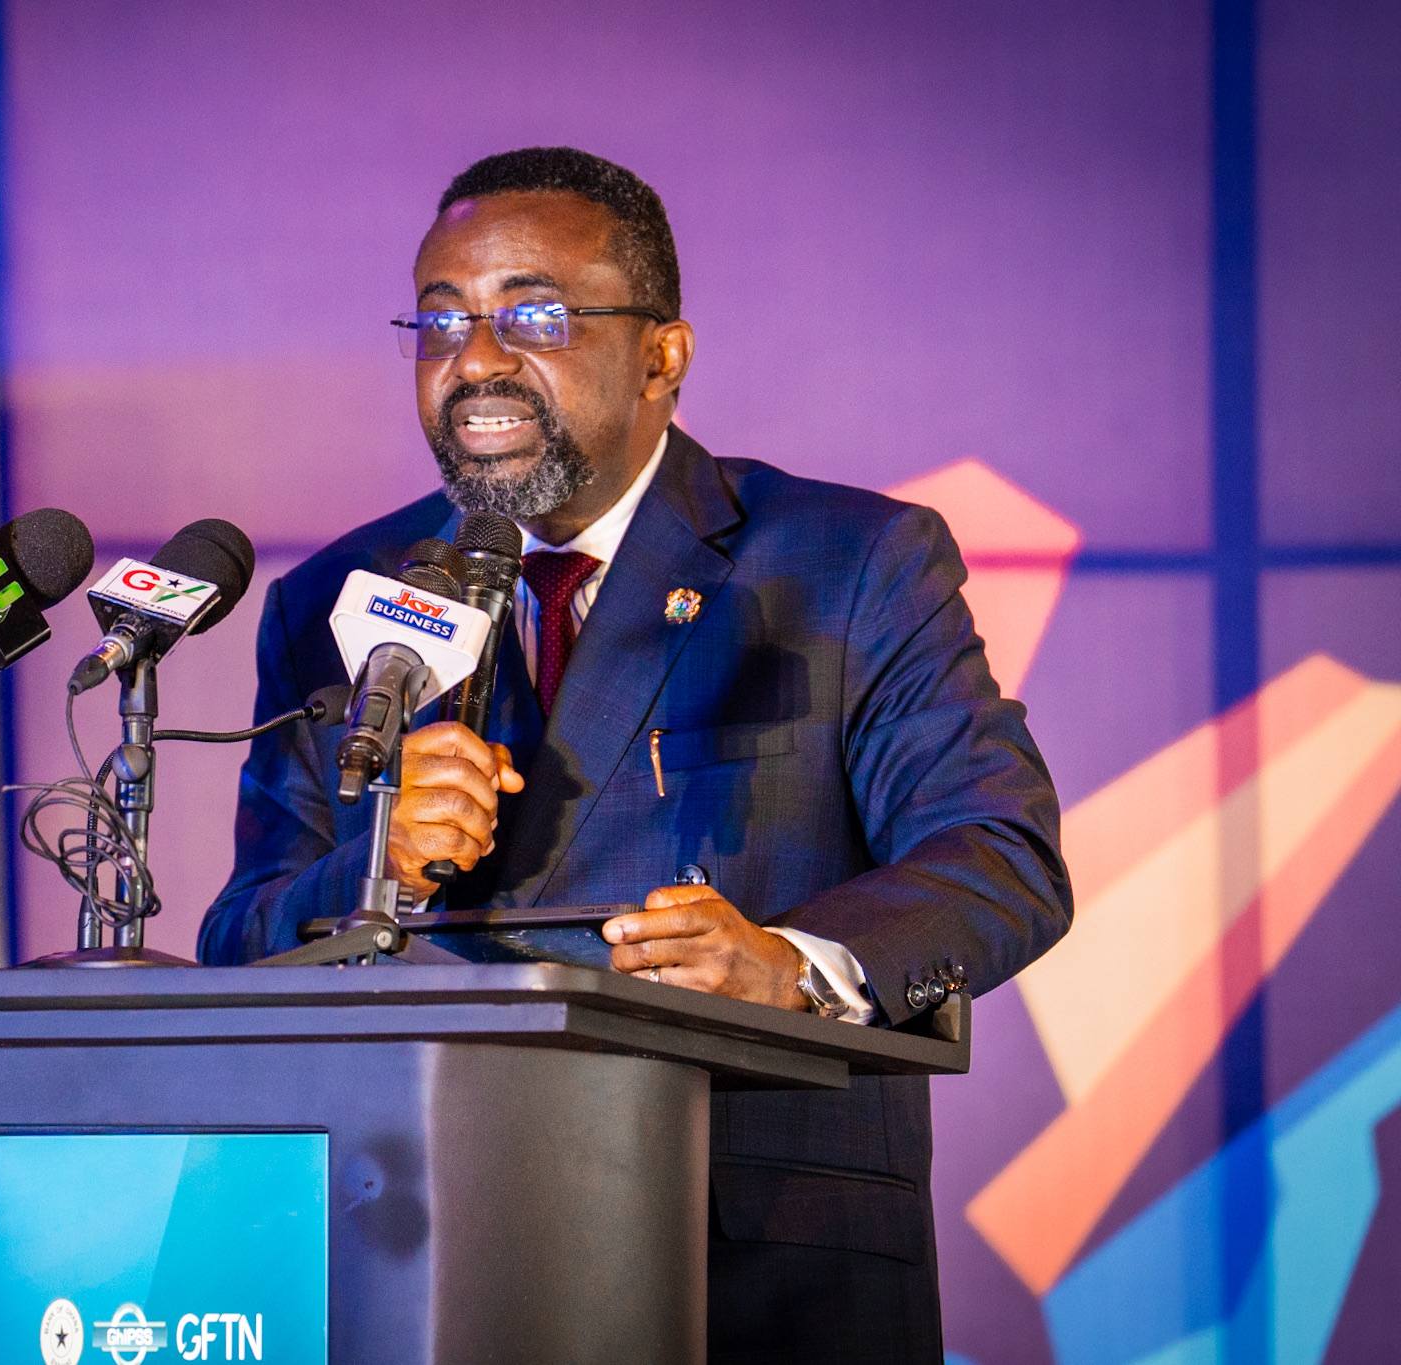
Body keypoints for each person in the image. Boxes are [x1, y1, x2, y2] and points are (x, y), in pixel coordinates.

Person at [197, 146, 1071, 1361]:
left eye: (532, 316)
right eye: (440, 320)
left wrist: (790, 968)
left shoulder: (845, 559)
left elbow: (997, 853)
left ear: (661, 356)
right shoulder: (339, 595)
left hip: (747, 1257)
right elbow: (237, 939)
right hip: (415, 1250)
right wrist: (371, 868)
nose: (474, 359)